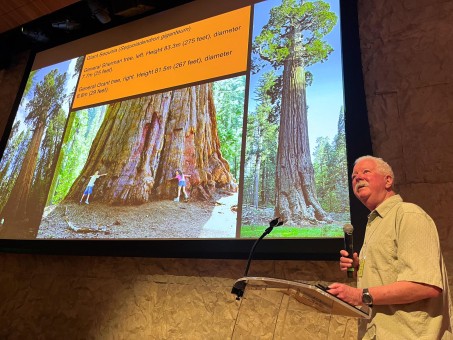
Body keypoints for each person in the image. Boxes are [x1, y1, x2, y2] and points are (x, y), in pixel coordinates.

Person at [328, 155, 452, 339]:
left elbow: (425, 286)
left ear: (388, 180)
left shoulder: (408, 215)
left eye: (365, 172)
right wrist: (358, 268)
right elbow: (389, 272)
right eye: (354, 176)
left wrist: (360, 296)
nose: (358, 178)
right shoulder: (375, 223)